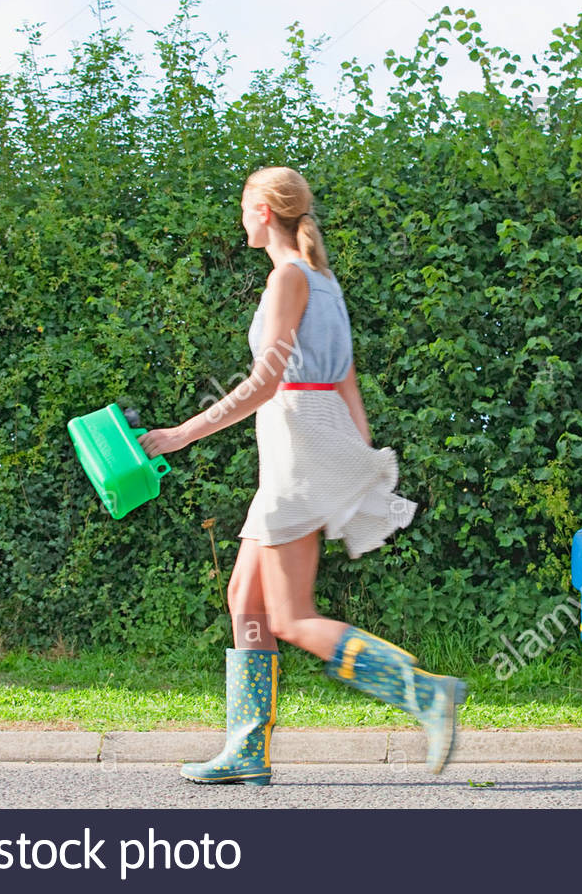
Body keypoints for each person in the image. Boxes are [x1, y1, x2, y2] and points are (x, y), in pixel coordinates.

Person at [138, 166, 466, 786]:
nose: (239, 218)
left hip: (296, 439)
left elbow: (266, 381)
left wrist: (182, 433)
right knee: (245, 600)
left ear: (264, 211)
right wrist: (356, 447)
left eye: (243, 206)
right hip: (309, 436)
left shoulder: (290, 276)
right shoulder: (321, 278)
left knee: (290, 617)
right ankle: (246, 750)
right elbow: (346, 378)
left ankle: (425, 693)